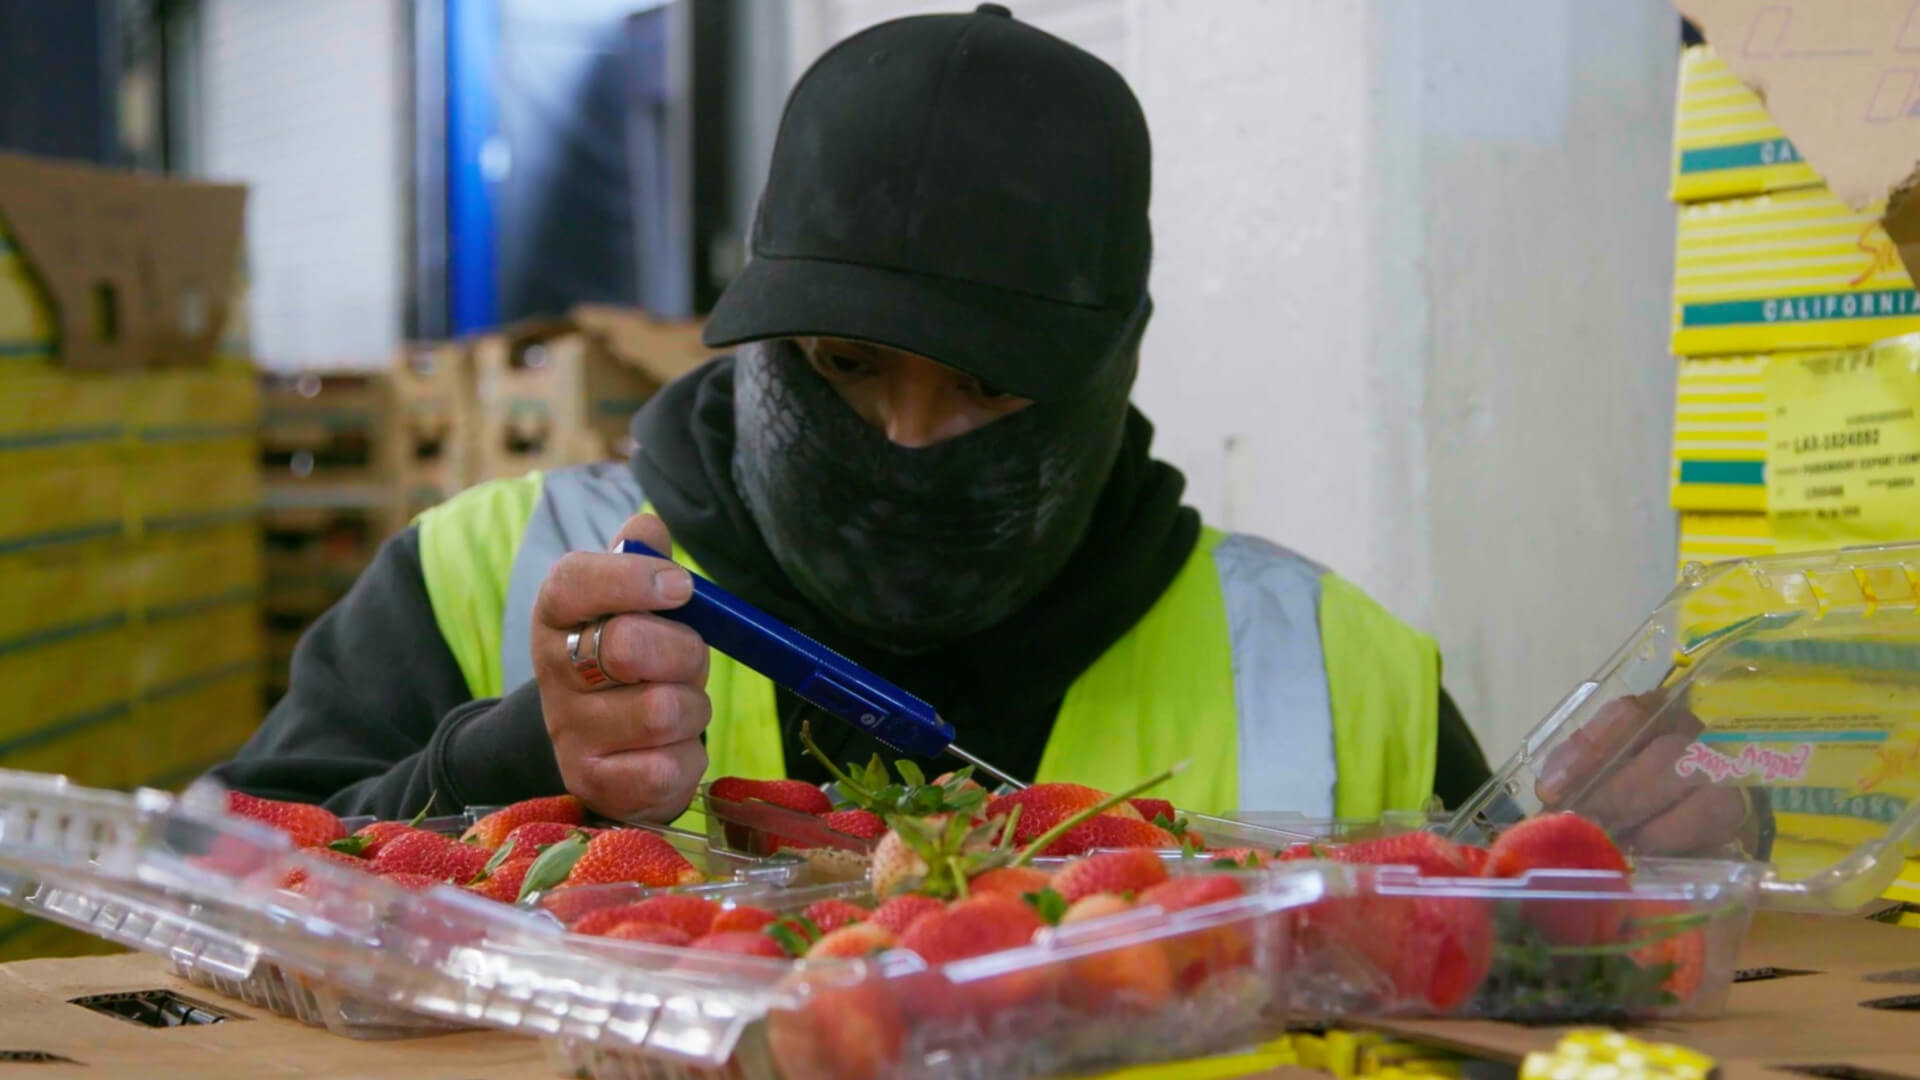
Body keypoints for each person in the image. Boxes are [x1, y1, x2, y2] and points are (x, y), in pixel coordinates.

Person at [212, 5, 1757, 859]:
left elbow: (1492, 958)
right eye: (843, 365)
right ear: (744, 330)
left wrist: (1636, 856)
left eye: (992, 392)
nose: (907, 441)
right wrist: (503, 754)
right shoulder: (482, 576)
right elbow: (191, 929)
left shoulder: (1339, 672)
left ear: (1111, 374)